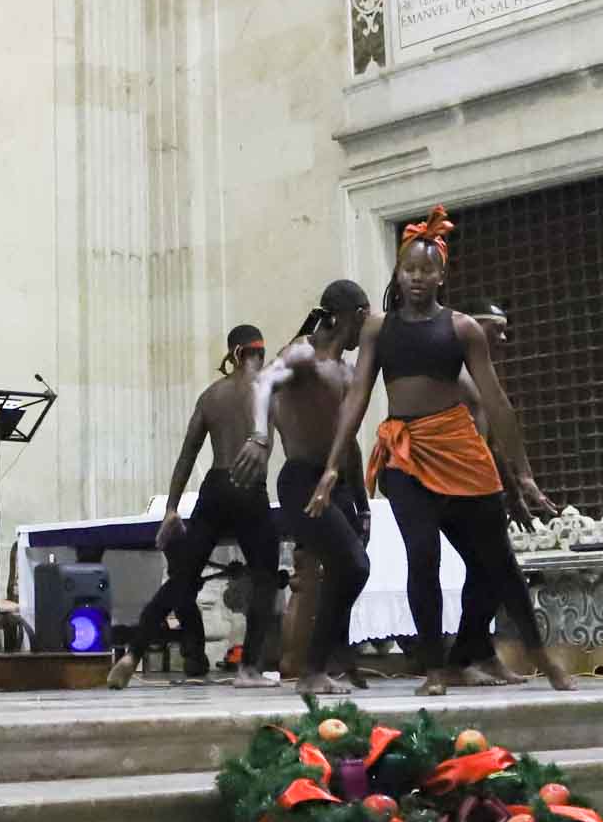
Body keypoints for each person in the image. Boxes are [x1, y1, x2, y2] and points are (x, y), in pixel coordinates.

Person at [311, 207, 571, 694]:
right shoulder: (377, 329)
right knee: (422, 553)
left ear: (442, 274)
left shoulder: (462, 328)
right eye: (409, 269)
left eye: (427, 270)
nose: (417, 278)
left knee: (497, 560)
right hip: (405, 454)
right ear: (398, 272)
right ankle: (434, 666)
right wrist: (331, 467)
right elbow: (358, 397)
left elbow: (494, 400)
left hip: (458, 449)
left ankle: (540, 655)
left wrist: (525, 473)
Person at [110, 326, 281, 688]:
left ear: (233, 354)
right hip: (250, 488)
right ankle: (249, 669)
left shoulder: (211, 395)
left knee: (182, 578)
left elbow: (187, 455)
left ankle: (133, 652)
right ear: (257, 355)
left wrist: (172, 508)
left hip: (214, 488)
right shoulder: (267, 391)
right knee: (265, 578)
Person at [255, 280, 375, 689]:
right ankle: (313, 669)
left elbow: (350, 443)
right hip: (302, 480)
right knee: (354, 566)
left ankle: (333, 661)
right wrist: (259, 437)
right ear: (354, 316)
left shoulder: (346, 369)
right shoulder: (303, 354)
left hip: (338, 483)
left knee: (345, 569)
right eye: (366, 316)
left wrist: (363, 502)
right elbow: (264, 383)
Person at [446, 300, 562, 683]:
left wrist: (514, 493)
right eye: (496, 327)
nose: (504, 336)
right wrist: (513, 491)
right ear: (474, 328)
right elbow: (478, 446)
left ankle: (476, 655)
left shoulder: (481, 376)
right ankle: (466, 658)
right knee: (495, 567)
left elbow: (491, 444)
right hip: (450, 482)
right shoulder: (456, 376)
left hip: (478, 481)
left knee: (485, 569)